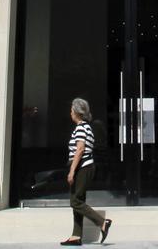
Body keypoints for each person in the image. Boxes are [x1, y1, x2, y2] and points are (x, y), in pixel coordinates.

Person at [60, 97, 109, 247]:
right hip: (85, 167)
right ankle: (76, 235)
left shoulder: (81, 128)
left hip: (82, 167)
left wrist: (71, 171)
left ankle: (102, 222)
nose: (70, 113)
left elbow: (80, 149)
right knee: (79, 200)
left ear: (76, 112)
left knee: (75, 201)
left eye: (71, 110)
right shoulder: (87, 127)